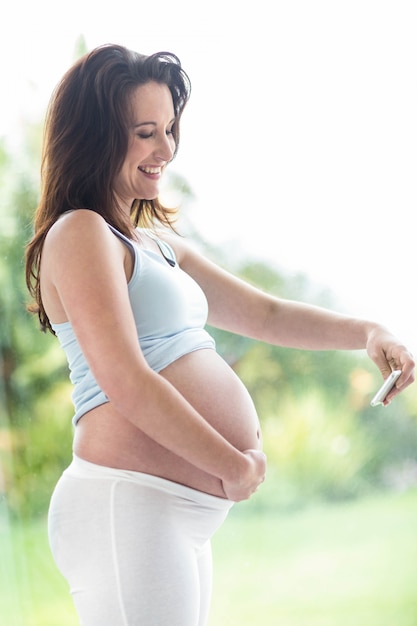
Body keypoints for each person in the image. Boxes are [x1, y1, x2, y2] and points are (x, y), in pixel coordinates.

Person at [25, 43, 414, 626]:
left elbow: (268, 317)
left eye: (171, 129)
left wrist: (369, 331)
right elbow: (124, 378)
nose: (167, 150)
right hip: (126, 503)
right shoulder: (80, 232)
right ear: (95, 136)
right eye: (146, 132)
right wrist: (229, 464)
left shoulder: (154, 244)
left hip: (168, 511)